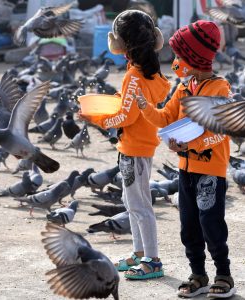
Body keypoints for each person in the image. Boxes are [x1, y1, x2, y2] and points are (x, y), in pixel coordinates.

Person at [135, 20, 236, 298]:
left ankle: (224, 275)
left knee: (211, 224)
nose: (176, 61)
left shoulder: (219, 89)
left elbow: (218, 131)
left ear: (194, 58)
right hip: (185, 169)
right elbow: (164, 117)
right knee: (188, 225)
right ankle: (198, 274)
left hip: (210, 170)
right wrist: (145, 107)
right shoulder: (184, 87)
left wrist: (187, 145)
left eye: (180, 56)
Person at [80, 9, 171, 280]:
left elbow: (125, 116)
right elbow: (150, 95)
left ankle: (152, 261)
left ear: (120, 45)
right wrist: (122, 97)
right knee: (130, 202)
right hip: (141, 146)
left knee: (140, 206)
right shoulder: (152, 73)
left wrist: (96, 117)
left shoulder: (133, 76)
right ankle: (139, 252)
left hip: (133, 148)